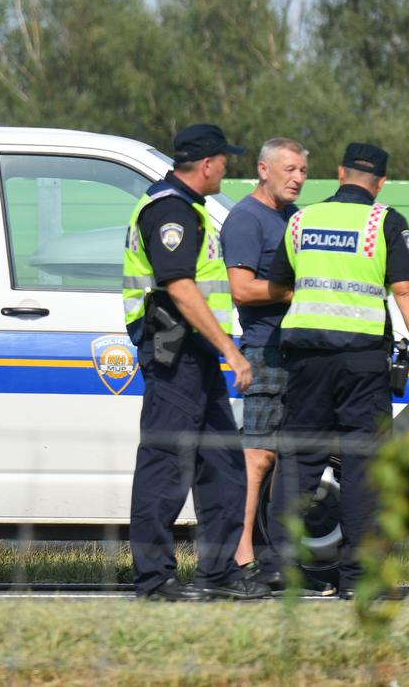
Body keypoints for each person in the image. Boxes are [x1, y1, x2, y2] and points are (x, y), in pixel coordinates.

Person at [269, 142, 409, 598]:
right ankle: (359, 579)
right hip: (361, 361)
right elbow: (405, 290)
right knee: (363, 465)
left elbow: (279, 283)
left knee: (299, 459)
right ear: (381, 182)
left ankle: (281, 571)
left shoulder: (302, 219)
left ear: (340, 172)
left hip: (305, 357)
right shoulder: (385, 221)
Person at [122, 123, 266, 601]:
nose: (228, 167)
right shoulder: (170, 211)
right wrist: (230, 350)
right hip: (174, 354)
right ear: (207, 164)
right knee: (165, 469)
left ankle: (219, 573)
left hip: (195, 357)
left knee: (223, 468)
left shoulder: (189, 209)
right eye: (225, 160)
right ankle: (154, 579)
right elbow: (180, 286)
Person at [219, 137, 307, 587]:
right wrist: (303, 292)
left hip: (297, 352)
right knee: (256, 457)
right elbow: (243, 289)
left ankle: (277, 559)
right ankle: (241, 557)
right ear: (263, 169)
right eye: (289, 169)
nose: (297, 178)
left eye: (303, 171)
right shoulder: (246, 219)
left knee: (286, 460)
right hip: (264, 349)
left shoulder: (293, 220)